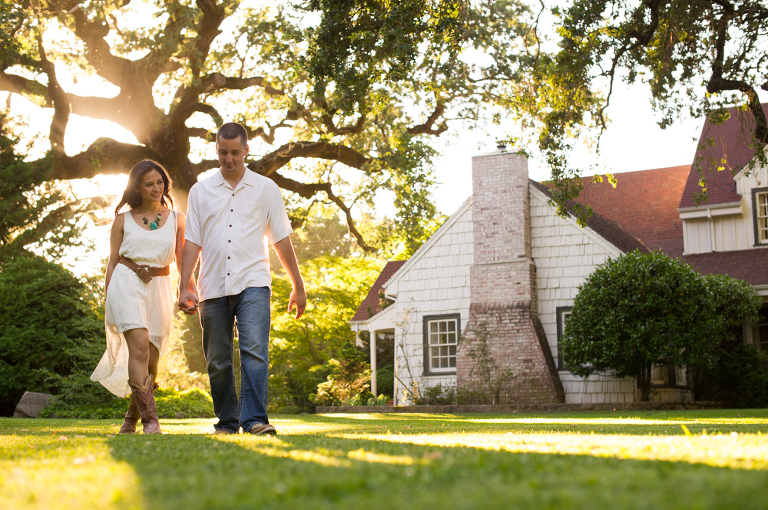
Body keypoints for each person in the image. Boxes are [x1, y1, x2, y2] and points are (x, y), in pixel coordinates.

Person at [178, 122, 306, 435]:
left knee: (254, 353)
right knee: (218, 360)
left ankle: (255, 421)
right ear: (216, 150)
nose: (229, 158)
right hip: (212, 285)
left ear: (247, 150)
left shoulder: (266, 189)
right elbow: (192, 241)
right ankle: (227, 422)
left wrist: (298, 286)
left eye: (235, 152)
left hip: (254, 282)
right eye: (223, 152)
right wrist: (184, 284)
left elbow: (281, 239)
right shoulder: (200, 191)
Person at [91, 160, 186, 435]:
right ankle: (151, 422)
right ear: (137, 188)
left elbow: (183, 260)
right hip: (127, 283)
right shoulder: (123, 220)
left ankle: (130, 420)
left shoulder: (178, 219)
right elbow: (112, 261)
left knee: (152, 360)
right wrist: (109, 296)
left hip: (159, 287)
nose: (156, 188)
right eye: (149, 184)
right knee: (140, 348)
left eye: (160, 182)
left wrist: (187, 289)